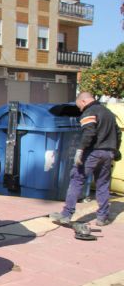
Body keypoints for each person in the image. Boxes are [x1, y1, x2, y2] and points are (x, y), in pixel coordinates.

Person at [49, 92, 122, 226]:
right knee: (103, 184)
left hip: (93, 153)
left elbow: (89, 132)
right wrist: (115, 150)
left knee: (77, 180)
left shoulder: (89, 112)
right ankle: (102, 217)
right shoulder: (108, 113)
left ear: (83, 101)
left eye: (80, 107)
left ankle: (66, 214)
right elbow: (117, 132)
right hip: (108, 153)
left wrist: (80, 149)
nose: (80, 110)